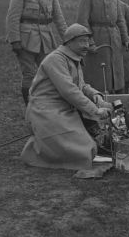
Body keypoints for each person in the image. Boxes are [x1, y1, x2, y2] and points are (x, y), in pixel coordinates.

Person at [20, 24, 111, 170]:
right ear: (69, 42)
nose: (86, 45)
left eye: (87, 41)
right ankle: (34, 150)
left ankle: (47, 142)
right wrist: (95, 110)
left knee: (94, 141)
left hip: (64, 108)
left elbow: (81, 86)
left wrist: (96, 96)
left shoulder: (73, 58)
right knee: (85, 149)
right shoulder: (55, 60)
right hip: (46, 112)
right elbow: (69, 91)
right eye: (81, 41)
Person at [5, 0, 67, 105]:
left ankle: (43, 106)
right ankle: (30, 108)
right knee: (29, 74)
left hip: (46, 39)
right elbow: (12, 17)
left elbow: (59, 18)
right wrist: (15, 40)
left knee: (47, 73)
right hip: (25, 40)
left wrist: (69, 38)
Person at [76, 0, 129, 94]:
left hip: (115, 39)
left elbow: (120, 20)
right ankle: (96, 102)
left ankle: (116, 101)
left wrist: (125, 38)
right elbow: (82, 21)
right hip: (97, 39)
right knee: (98, 76)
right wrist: (89, 43)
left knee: (116, 73)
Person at [110, 0, 129, 93]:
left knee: (126, 72)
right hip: (108, 44)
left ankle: (124, 94)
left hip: (122, 45)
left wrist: (124, 39)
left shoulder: (124, 7)